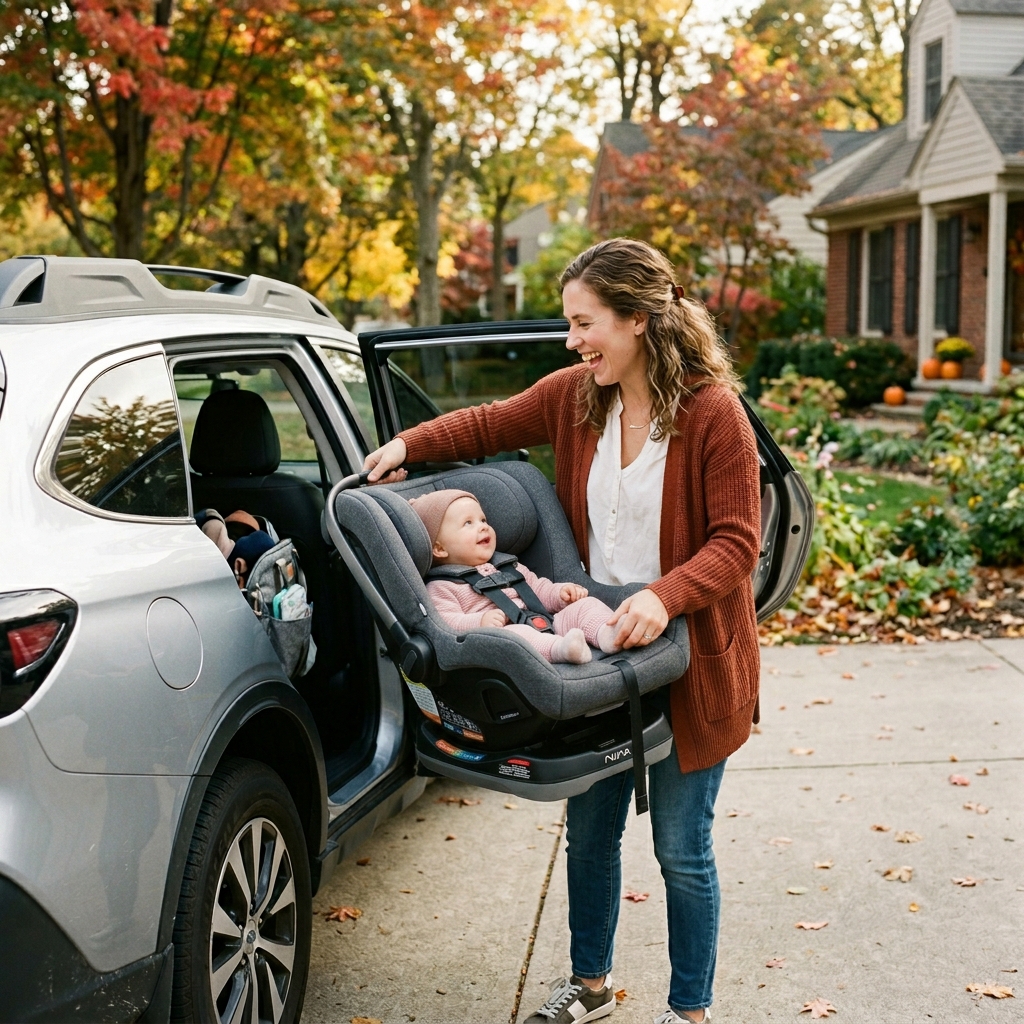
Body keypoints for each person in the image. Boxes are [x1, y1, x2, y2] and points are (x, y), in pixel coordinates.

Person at [364, 238, 762, 1024]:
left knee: (681, 851)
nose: (572, 340)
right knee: (590, 836)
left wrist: (665, 597)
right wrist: (407, 445)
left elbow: (737, 542)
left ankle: (690, 1012)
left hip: (690, 656)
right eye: (570, 323)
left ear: (638, 319)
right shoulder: (579, 397)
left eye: (585, 323)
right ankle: (591, 986)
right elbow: (486, 423)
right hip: (597, 657)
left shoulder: (713, 413)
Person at [409, 488, 623, 664]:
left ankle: (607, 633)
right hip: (507, 638)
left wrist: (560, 594)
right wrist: (480, 621)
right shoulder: (442, 587)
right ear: (439, 549)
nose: (483, 527)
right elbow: (447, 623)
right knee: (517, 635)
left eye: (483, 519)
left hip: (547, 622)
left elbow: (538, 589)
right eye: (468, 523)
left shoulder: (509, 567)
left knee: (586, 606)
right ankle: (562, 649)